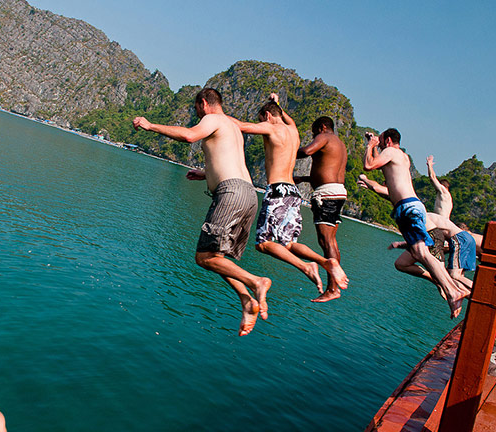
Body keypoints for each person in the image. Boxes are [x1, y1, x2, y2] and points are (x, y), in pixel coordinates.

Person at [132, 88, 271, 336]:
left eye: (197, 110)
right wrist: (206, 174)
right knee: (216, 258)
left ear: (204, 103)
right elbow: (230, 160)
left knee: (204, 257)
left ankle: (256, 282)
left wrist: (150, 125)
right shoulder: (232, 126)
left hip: (231, 194)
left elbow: (189, 136)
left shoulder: (213, 118)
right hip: (249, 195)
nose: (198, 115)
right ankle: (247, 301)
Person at [230, 94, 348, 302]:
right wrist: (278, 106)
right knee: (288, 244)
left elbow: (241, 126)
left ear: (267, 116)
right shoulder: (293, 131)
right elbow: (290, 120)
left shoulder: (271, 128)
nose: (261, 124)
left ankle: (312, 264)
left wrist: (218, 116)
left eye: (261, 119)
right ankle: (322, 262)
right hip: (294, 193)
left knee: (263, 244)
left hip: (277, 191)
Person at [363, 129, 469, 318]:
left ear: (387, 140)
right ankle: (452, 289)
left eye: (381, 143)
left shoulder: (392, 152)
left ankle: (453, 291)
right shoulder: (401, 157)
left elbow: (369, 165)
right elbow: (382, 167)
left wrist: (370, 146)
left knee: (421, 253)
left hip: (407, 208)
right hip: (412, 207)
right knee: (422, 254)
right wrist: (374, 145)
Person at [295, 116, 348, 301]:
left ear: (323, 127)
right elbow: (328, 171)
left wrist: (286, 150)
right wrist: (303, 178)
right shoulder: (340, 144)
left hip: (326, 194)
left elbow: (307, 151)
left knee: (326, 242)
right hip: (338, 192)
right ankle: (333, 287)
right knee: (330, 241)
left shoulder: (325, 136)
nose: (314, 135)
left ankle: (333, 289)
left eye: (314, 132)